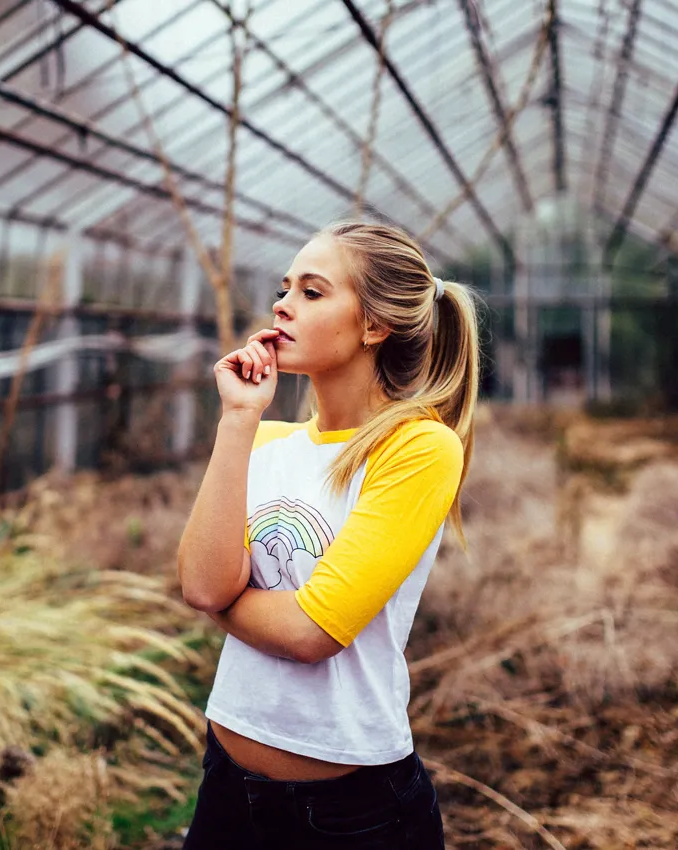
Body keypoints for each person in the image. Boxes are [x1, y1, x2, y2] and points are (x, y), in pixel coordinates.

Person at [175, 221, 481, 848]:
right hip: (227, 786)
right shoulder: (263, 439)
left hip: (350, 814)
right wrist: (237, 419)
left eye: (312, 292)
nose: (282, 305)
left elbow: (313, 634)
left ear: (373, 326)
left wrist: (227, 601)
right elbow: (201, 584)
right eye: (284, 290)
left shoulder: (418, 448)